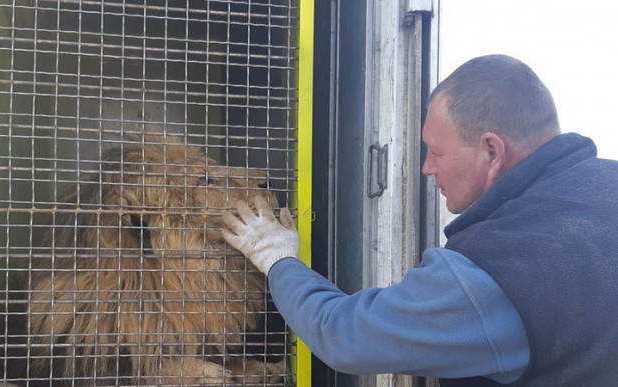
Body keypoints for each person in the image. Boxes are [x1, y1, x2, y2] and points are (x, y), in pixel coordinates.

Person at [221, 54, 618, 386]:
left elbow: (342, 335)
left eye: (436, 152)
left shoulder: (496, 272)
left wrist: (277, 258)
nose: (427, 168)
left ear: (492, 152)